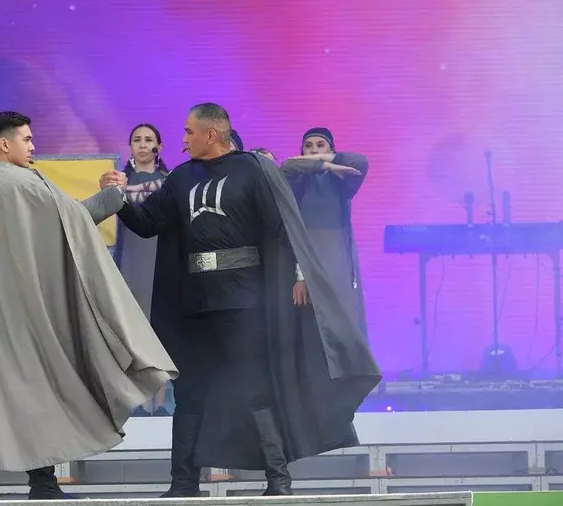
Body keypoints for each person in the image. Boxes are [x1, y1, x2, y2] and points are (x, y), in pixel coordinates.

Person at [0, 111, 178, 500]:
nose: (33, 147)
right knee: (34, 390)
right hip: (16, 315)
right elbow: (76, 220)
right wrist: (114, 196)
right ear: (4, 144)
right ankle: (43, 484)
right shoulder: (27, 184)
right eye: (27, 139)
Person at [111, 104, 380, 497]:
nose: (183, 140)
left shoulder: (253, 169)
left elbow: (282, 226)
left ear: (211, 134)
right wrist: (117, 198)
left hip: (244, 301)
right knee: (189, 394)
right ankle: (183, 483)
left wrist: (300, 273)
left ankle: (278, 479)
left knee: (255, 389)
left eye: (188, 132)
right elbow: (147, 223)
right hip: (194, 303)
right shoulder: (182, 177)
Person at [281, 127, 369, 339]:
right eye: (308, 146)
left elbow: (360, 161)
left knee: (344, 321)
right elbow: (287, 165)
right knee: (313, 325)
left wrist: (328, 163)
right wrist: (326, 163)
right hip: (307, 259)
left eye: (321, 146)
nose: (314, 150)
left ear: (331, 149)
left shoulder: (341, 180)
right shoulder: (297, 180)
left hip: (338, 257)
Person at [114, 123, 171, 416]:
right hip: (129, 261)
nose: (143, 144)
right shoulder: (117, 180)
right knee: (132, 333)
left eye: (149, 139)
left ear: (159, 146)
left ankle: (159, 404)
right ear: (130, 147)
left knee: (159, 333)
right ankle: (138, 402)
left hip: (160, 261)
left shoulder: (170, 181)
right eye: (137, 139)